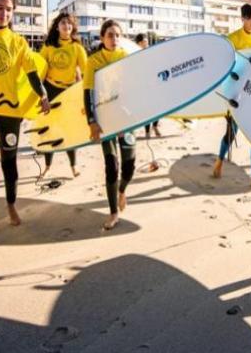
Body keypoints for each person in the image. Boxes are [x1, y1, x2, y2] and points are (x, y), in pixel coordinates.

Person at [0, 0, 50, 252]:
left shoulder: (18, 42)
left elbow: (31, 73)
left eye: (8, 9)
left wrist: (42, 94)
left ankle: (11, 205)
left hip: (10, 114)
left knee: (9, 164)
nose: (3, 13)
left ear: (12, 12)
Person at [83, 20, 135, 230]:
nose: (114, 39)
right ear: (102, 37)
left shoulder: (127, 58)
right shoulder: (94, 61)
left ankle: (122, 190)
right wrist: (92, 121)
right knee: (112, 166)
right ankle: (113, 212)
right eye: (110, 35)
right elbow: (87, 92)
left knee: (129, 166)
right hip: (105, 120)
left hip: (127, 119)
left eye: (117, 35)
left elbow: (137, 87)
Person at [212, 3, 251, 189]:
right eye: (250, 18)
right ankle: (219, 161)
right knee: (231, 132)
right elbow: (223, 64)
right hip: (235, 92)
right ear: (242, 18)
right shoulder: (232, 39)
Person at [39, 12, 87, 178]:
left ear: (72, 27)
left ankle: (73, 166)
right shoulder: (49, 45)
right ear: (57, 27)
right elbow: (39, 70)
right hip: (50, 89)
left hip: (69, 92)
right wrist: (40, 95)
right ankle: (47, 166)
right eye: (62, 23)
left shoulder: (77, 47)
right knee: (49, 129)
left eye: (69, 23)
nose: (66, 25)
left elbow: (87, 71)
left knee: (69, 130)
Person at [137, 33, 161, 139]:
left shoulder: (152, 53)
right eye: (143, 42)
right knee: (147, 110)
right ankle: (147, 132)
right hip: (144, 86)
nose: (145, 43)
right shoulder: (136, 55)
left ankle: (155, 126)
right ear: (138, 43)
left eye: (146, 41)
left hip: (155, 84)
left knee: (158, 108)